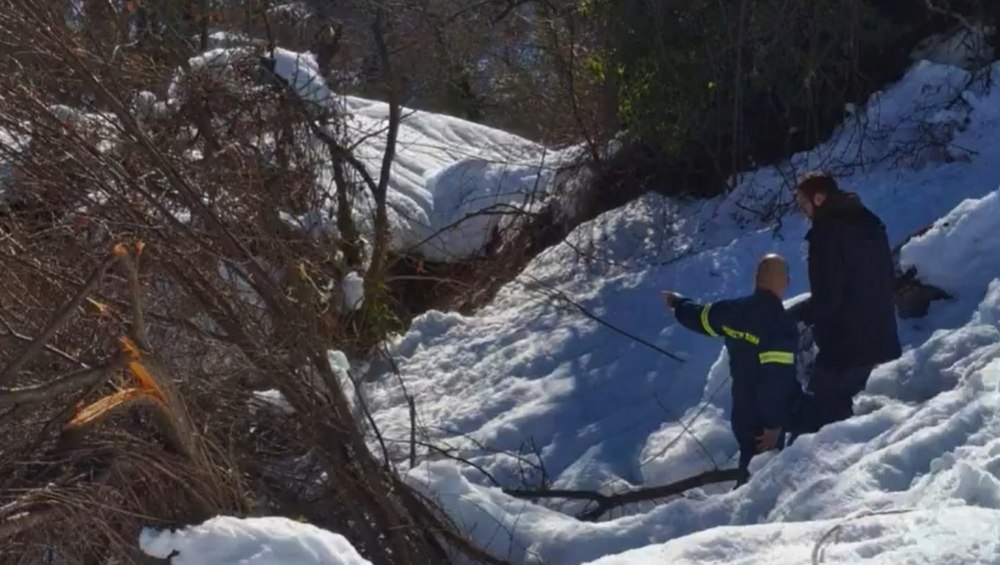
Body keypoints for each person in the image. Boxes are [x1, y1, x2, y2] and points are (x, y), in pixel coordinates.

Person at [663, 254, 801, 484]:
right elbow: (776, 379)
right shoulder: (780, 324)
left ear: (757, 280)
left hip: (742, 411)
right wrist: (774, 424)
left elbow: (700, 318)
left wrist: (679, 304)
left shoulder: (732, 311)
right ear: (784, 282)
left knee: (750, 464)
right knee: (760, 478)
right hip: (765, 419)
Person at [791, 172, 901, 433]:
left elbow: (829, 297)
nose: (802, 210)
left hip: (845, 344)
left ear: (819, 198)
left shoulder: (826, 233)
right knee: (840, 413)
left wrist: (799, 315)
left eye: (803, 203)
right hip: (880, 332)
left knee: (821, 419)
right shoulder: (868, 222)